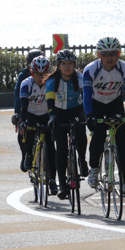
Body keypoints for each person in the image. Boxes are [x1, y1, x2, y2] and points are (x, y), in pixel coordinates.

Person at [82, 37, 125, 195]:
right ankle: (94, 169)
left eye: (113, 54)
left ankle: (124, 181)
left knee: (121, 140)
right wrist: (89, 115)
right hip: (96, 104)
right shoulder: (90, 69)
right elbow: (87, 95)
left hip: (115, 103)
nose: (109, 58)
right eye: (105, 54)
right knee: (98, 135)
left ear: (119, 54)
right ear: (98, 54)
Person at [46, 49, 89, 200]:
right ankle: (62, 184)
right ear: (58, 66)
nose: (67, 67)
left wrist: (87, 114)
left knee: (81, 130)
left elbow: (85, 95)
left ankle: (82, 160)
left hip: (76, 110)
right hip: (58, 112)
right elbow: (50, 102)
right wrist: (52, 117)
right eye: (64, 64)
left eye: (70, 63)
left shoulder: (79, 77)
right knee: (61, 149)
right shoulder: (52, 80)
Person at [19, 55, 58, 195]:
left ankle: (52, 180)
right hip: (31, 114)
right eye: (37, 74)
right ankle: (28, 155)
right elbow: (23, 107)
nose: (41, 77)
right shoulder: (26, 84)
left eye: (44, 74)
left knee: (51, 149)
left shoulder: (52, 83)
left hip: (46, 115)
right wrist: (22, 122)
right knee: (26, 132)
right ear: (32, 73)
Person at [12, 49, 43, 172]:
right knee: (22, 135)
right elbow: (17, 95)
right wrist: (17, 113)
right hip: (27, 106)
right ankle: (25, 154)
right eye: (31, 63)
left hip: (42, 107)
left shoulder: (47, 74)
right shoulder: (23, 75)